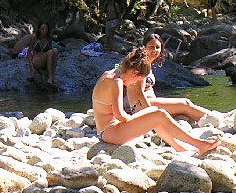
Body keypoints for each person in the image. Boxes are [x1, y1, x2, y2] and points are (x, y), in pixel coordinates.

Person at [92, 47, 221, 153]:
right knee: (158, 115)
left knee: (154, 112)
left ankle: (179, 147)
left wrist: (146, 118)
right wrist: (142, 121)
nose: (133, 83)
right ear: (134, 73)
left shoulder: (112, 73)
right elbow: (120, 115)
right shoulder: (116, 82)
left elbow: (122, 65)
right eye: (136, 80)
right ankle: (199, 144)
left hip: (108, 130)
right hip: (109, 132)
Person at [127, 32, 208, 122]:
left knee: (184, 109)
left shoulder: (147, 64)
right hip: (140, 105)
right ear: (144, 48)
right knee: (184, 103)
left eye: (157, 47)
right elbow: (139, 93)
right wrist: (150, 112)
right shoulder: (140, 65)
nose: (155, 50)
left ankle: (210, 117)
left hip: (148, 102)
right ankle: (214, 117)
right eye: (151, 47)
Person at [26, 21, 59, 88]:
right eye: (42, 29)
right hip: (36, 61)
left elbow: (52, 52)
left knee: (55, 50)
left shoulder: (49, 38)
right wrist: (31, 68)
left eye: (46, 29)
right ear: (39, 30)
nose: (44, 31)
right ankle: (50, 77)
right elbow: (28, 52)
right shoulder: (34, 38)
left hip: (45, 61)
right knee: (50, 52)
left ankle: (52, 74)